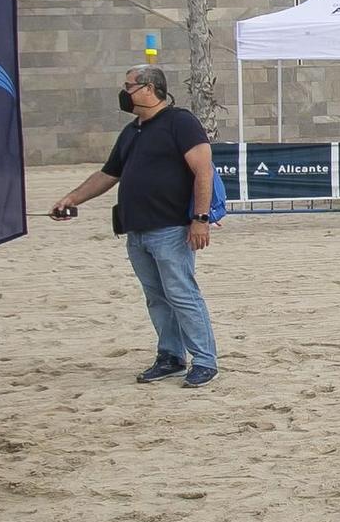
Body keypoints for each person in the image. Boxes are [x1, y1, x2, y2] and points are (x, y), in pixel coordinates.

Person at [49, 67, 220, 387]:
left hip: (171, 228)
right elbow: (108, 175)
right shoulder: (132, 131)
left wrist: (200, 219)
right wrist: (72, 198)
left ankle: (205, 360)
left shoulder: (180, 122)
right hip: (137, 230)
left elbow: (203, 171)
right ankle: (170, 356)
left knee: (182, 293)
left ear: (149, 89)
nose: (124, 92)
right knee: (156, 297)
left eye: (128, 86)